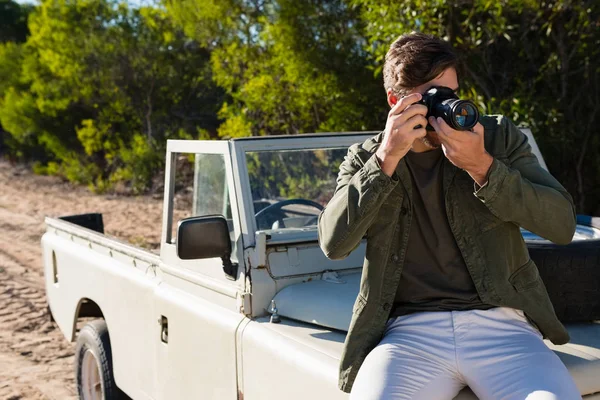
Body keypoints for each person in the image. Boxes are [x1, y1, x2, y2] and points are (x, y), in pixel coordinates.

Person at [317, 32, 581, 400]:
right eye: (435, 98)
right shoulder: (366, 157)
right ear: (397, 101)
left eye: (453, 94)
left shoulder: (496, 137)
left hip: (503, 326)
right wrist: (386, 161)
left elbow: (562, 225)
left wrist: (484, 168)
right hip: (409, 334)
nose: (450, 108)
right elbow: (333, 244)